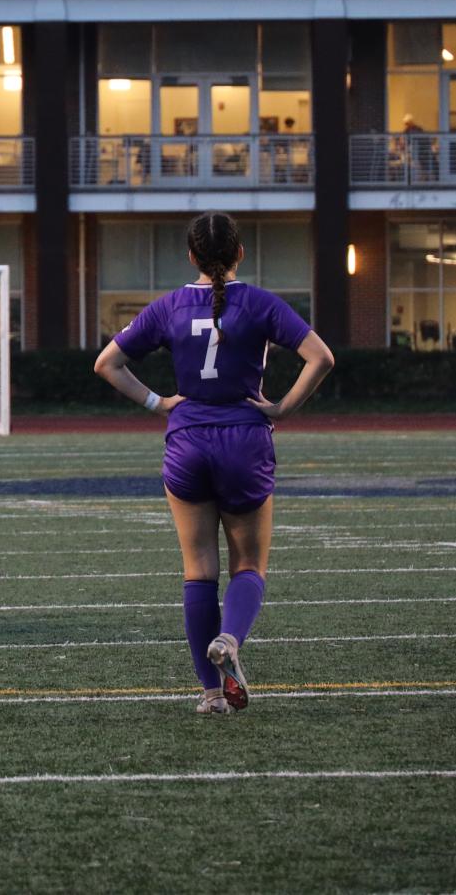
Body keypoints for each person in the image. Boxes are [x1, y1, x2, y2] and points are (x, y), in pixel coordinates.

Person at [92, 211, 334, 713]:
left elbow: (106, 364)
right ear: (240, 253)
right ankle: (230, 639)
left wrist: (157, 403)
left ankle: (210, 693)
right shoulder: (261, 303)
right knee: (249, 564)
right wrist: (282, 409)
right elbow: (322, 358)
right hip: (244, 440)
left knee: (198, 570)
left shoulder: (169, 306)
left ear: (191, 256)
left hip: (187, 443)